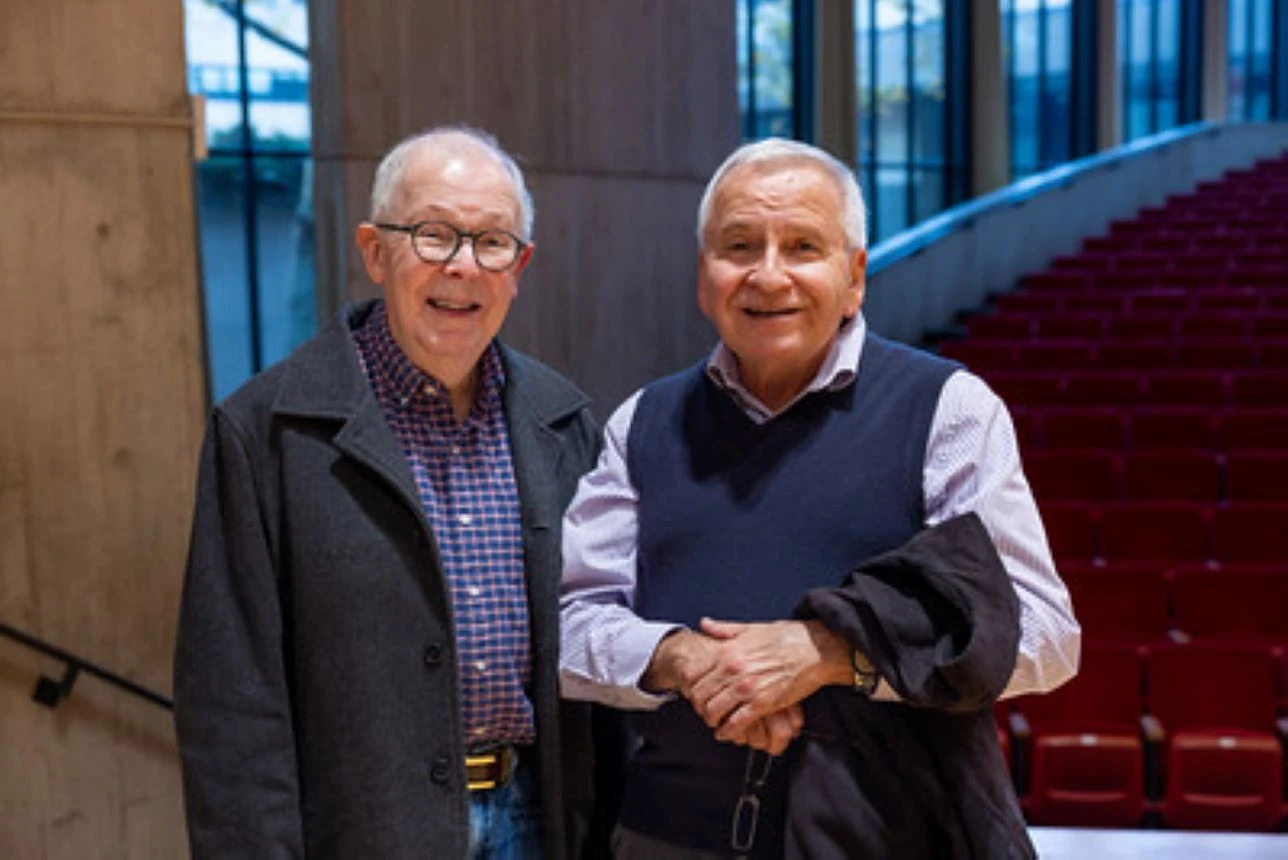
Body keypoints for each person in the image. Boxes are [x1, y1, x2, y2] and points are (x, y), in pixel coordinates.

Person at [559, 138, 1080, 858]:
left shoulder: (949, 411)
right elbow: (570, 624)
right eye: (739, 245)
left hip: (882, 838)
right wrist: (681, 659)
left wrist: (837, 655)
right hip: (666, 835)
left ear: (855, 277)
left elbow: (1047, 639)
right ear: (703, 277)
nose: (768, 275)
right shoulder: (641, 420)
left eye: (803, 246)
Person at [175, 126, 605, 859]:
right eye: (433, 235)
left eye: (492, 242)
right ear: (375, 250)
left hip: (540, 817)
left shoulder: (564, 421)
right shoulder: (265, 431)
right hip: (364, 830)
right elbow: (231, 704)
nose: (463, 266)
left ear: (520, 264)